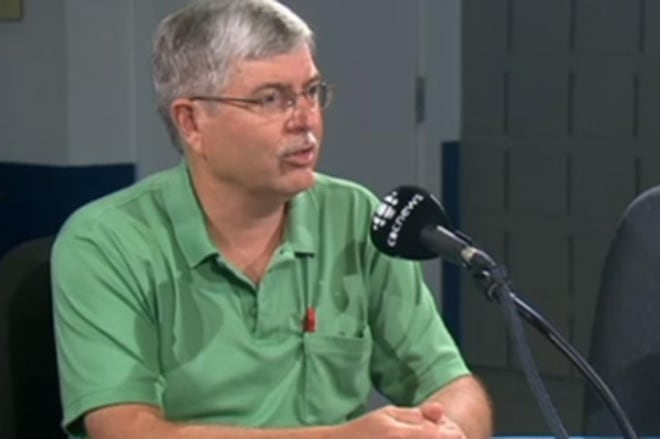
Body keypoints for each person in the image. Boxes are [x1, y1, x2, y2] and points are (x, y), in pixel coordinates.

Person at [51, 0, 493, 438]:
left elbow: (451, 383)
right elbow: (126, 431)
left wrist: (447, 430)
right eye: (271, 99)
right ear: (192, 122)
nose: (306, 121)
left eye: (312, 92)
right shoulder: (105, 242)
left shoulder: (356, 216)